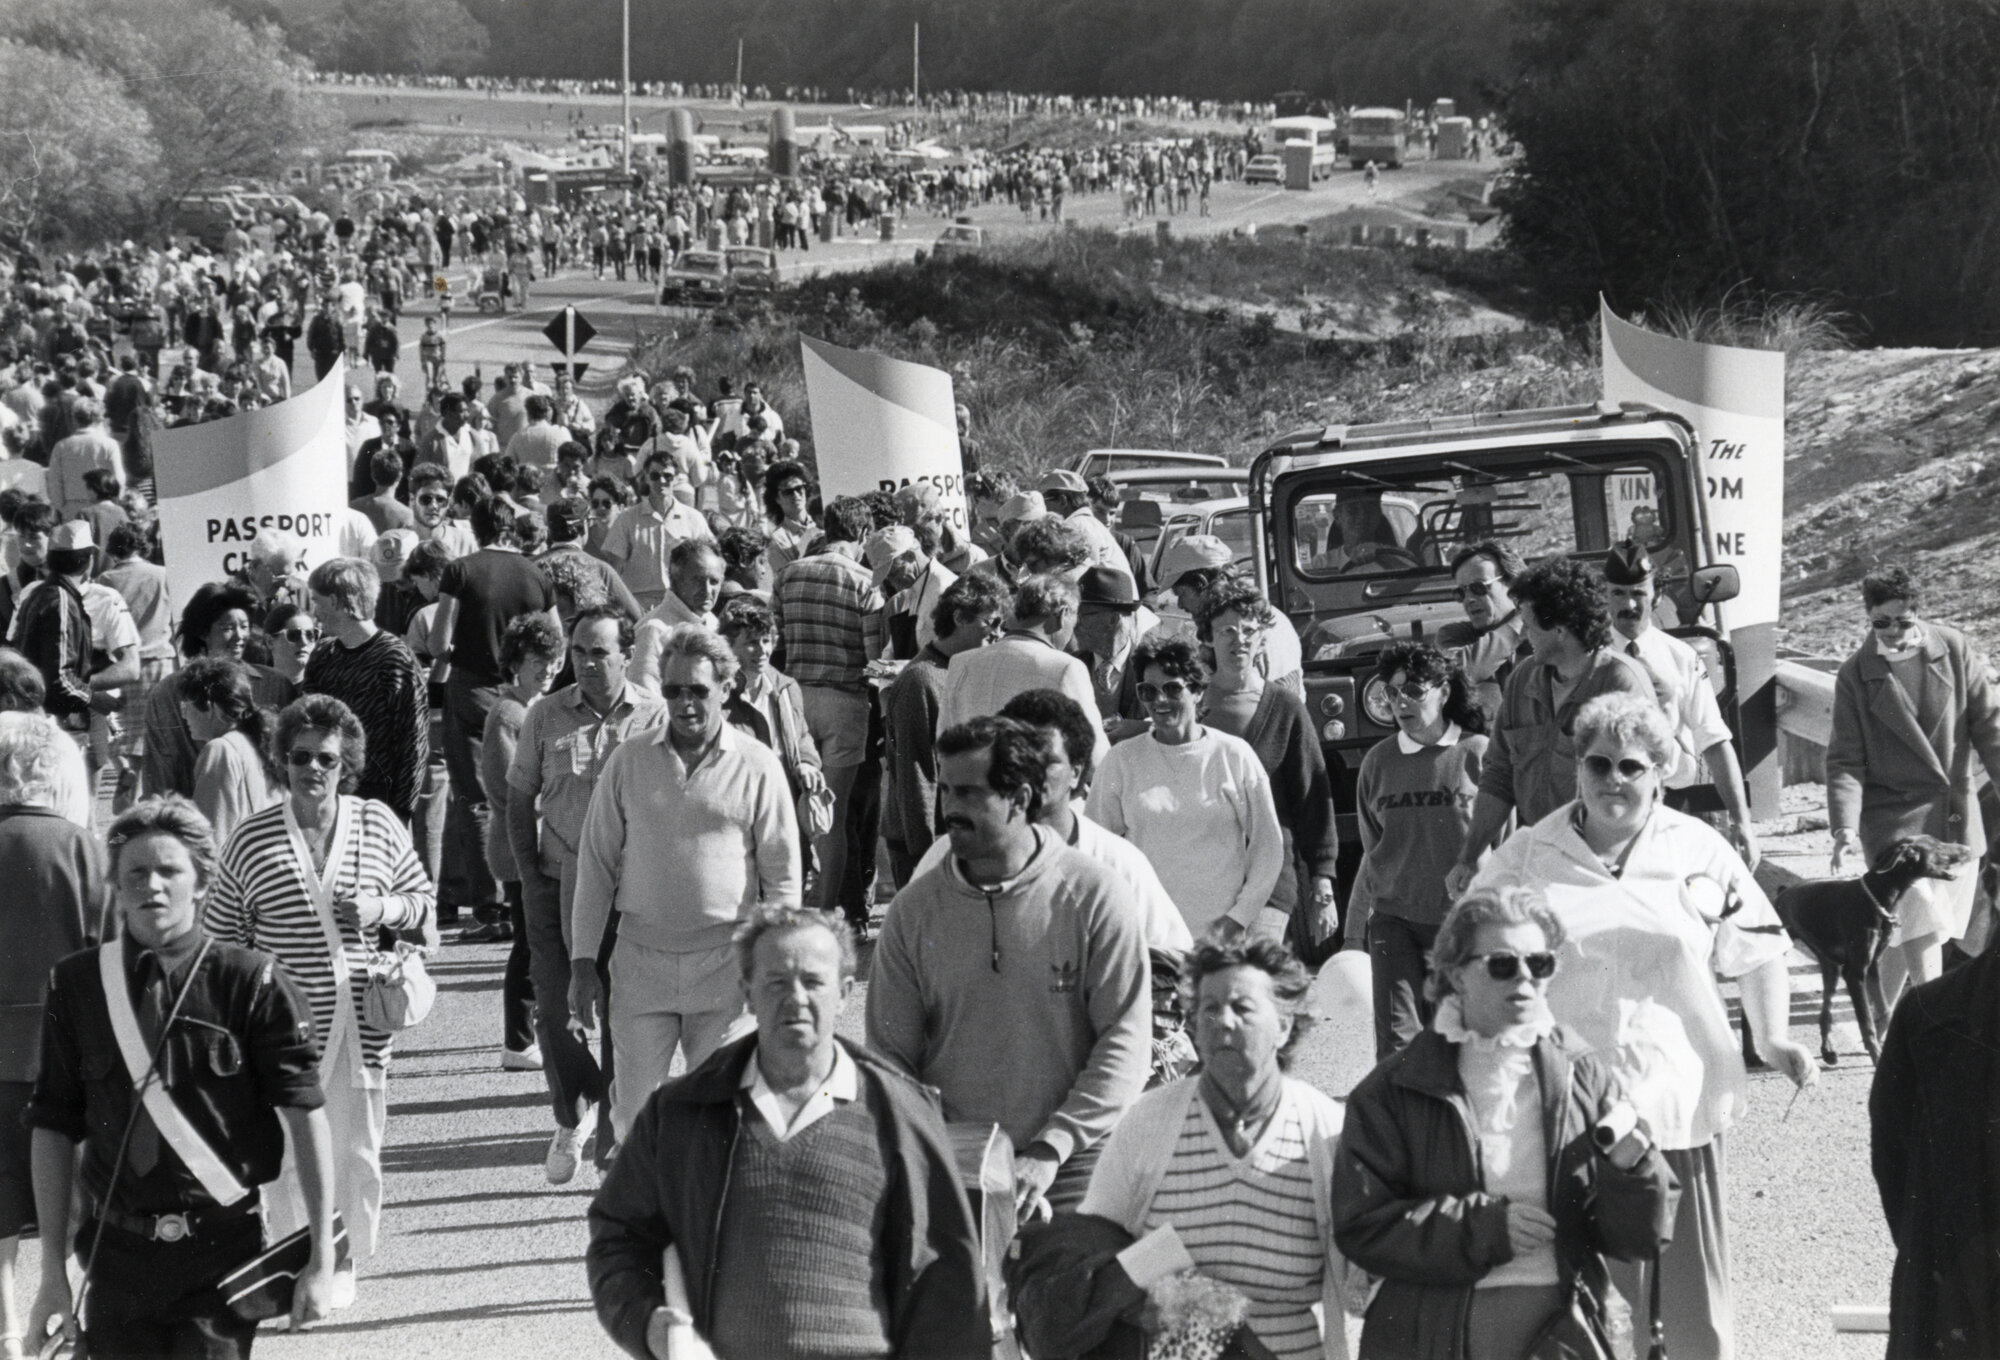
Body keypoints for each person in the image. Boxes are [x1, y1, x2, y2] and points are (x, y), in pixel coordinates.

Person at [1467, 693, 1815, 1359]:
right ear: (1576, 767)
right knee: (1577, 1304)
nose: (1613, 780)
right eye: (1598, 763)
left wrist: (1772, 1039)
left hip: (1676, 1103)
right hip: (1563, 1113)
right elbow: (1470, 956)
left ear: (1660, 771)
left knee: (1690, 1313)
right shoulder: (1527, 855)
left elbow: (1760, 944)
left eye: (1631, 766)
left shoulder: (1696, 850)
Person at [585, 906, 987, 1360]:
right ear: (748, 995)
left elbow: (949, 1287)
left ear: (845, 993)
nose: (795, 998)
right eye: (776, 983)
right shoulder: (683, 1113)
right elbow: (617, 1236)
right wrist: (648, 1326)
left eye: (813, 982)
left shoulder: (901, 1115)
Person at [27, 796, 338, 1356]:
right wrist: (51, 1271)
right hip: (116, 1255)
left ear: (201, 882)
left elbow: (305, 1112)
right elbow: (52, 1124)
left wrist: (322, 1254)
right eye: (136, 873)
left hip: (220, 1256)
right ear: (116, 888)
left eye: (170, 870)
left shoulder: (252, 982)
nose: (153, 886)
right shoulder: (76, 986)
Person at [1333, 885, 1681, 1360]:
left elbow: (1638, 1240)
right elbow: (1363, 1227)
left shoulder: (1582, 1072)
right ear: (1456, 974)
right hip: (1435, 1332)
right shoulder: (1392, 1090)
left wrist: (1635, 1172)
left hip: (1562, 1329)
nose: (1523, 979)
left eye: (1539, 964)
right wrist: (1485, 1229)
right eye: (1501, 964)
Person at [202, 695, 436, 1304]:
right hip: (279, 1028)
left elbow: (423, 906)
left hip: (361, 1026)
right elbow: (220, 936)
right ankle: (299, 1262)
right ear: (281, 760)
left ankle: (343, 1260)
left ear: (345, 763)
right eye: (300, 755)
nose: (313, 768)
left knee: (357, 1151)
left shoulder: (378, 823)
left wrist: (380, 909)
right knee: (283, 1158)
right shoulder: (252, 839)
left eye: (327, 758)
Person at [868, 716, 1151, 1218]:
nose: (951, 809)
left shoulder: (1094, 895)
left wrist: (1049, 1152)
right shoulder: (914, 910)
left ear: (1020, 800)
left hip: (1075, 1165)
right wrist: (943, 1154)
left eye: (970, 794)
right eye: (947, 791)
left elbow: (1125, 1041)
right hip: (955, 1167)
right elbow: (890, 1059)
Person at [570, 625, 800, 1143]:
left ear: (725, 688)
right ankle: (650, 1217)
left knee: (721, 1113)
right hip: (640, 963)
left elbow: (783, 875)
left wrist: (780, 966)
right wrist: (582, 963)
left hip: (726, 967)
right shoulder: (628, 761)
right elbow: (596, 866)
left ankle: (703, 1221)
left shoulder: (758, 765)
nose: (685, 703)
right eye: (673, 691)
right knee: (634, 1117)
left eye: (698, 690)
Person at [1079, 937, 1356, 1359]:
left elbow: (1361, 1282)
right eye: (1209, 1008)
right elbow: (1090, 1256)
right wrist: (1205, 1311)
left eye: (1242, 1008)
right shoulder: (1148, 1123)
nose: (1223, 1022)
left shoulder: (1324, 1133)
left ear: (1284, 1027)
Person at [506, 608, 667, 1182]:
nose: (588, 662)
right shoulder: (545, 715)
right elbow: (519, 797)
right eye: (579, 650)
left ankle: (613, 1142)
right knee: (555, 1012)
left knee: (624, 1015)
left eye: (600, 651)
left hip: (629, 893)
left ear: (627, 653)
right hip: (555, 885)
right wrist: (528, 875)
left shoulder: (655, 716)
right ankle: (572, 1111)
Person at [1826, 563, 2000, 995]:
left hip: (1956, 813)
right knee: (1919, 907)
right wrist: (1844, 824)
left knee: (1921, 932)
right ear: (1868, 618)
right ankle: (1930, 1023)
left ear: (1917, 613)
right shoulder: (1855, 675)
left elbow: (1989, 728)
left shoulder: (1955, 649)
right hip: (1893, 822)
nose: (1891, 631)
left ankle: (1885, 1023)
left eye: (1901, 621)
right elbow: (1845, 759)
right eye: (1879, 622)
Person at [1445, 558, 1656, 899]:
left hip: (1607, 872)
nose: (1525, 635)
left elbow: (1637, 793)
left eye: (1529, 626)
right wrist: (1469, 858)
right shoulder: (1522, 681)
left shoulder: (1621, 684)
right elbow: (1498, 776)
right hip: (1541, 865)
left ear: (1559, 629)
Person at [0, 713, 102, 1359]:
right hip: (69, 1057)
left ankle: (7, 1331)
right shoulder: (85, 849)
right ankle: (73, 1321)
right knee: (77, 1211)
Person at [1090, 637, 1287, 942]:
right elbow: (1096, 849)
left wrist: (1238, 919)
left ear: (1196, 691)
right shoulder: (1121, 760)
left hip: (1220, 941)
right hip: (1148, 941)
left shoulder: (1234, 756)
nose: (1159, 701)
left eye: (1171, 688)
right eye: (1148, 691)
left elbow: (1267, 846)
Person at [1347, 642, 1489, 1058]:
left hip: (1466, 926)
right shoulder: (1377, 762)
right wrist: (1354, 932)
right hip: (1396, 924)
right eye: (1391, 693)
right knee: (1397, 1049)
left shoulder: (1479, 752)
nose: (1400, 702)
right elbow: (1373, 853)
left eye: (1414, 690)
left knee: (1465, 1046)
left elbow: (1507, 842)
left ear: (1444, 693)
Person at [1870, 916, 2000, 1358]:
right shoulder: (1925, 1013)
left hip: (1951, 1291)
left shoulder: (1927, 1009)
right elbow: (1894, 1162)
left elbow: (1893, 1167)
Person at [429, 498, 558, 928]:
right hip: (525, 690)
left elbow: (437, 642)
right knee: (524, 793)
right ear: (511, 529)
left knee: (475, 799)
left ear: (477, 528)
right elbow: (554, 636)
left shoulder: (460, 570)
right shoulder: (536, 572)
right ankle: (519, 894)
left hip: (471, 686)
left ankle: (489, 902)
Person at [1194, 581, 1340, 959]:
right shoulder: (1190, 708)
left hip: (1270, 879)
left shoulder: (1286, 708)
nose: (1239, 639)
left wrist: (1322, 881)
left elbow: (1311, 798)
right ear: (1207, 638)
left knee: (1252, 981)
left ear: (1262, 637)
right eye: (1226, 630)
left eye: (1248, 630)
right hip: (1200, 874)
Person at [1600, 543, 1758, 864]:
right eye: (1618, 593)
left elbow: (1713, 739)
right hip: (1609, 807)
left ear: (1656, 596)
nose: (1628, 604)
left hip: (1673, 803)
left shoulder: (1681, 657)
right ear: (1604, 595)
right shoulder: (1588, 658)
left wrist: (1742, 823)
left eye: (1638, 594)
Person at [772, 497, 887, 925]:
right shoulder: (865, 583)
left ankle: (795, 905)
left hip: (796, 698)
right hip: (845, 699)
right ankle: (825, 915)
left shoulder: (787, 575)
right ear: (861, 534)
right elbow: (874, 660)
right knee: (832, 818)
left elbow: (776, 644)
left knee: (795, 810)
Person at [881, 574, 1007, 887]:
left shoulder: (961, 668)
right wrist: (928, 856)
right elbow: (916, 772)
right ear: (960, 617)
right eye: (991, 623)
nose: (998, 633)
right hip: (923, 841)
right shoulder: (921, 680)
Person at [480, 615, 563, 1069]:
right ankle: (516, 1040)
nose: (547, 669)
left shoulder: (540, 707)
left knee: (539, 939)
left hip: (540, 839)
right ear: (516, 662)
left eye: (552, 660)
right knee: (529, 942)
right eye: (537, 661)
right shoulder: (508, 713)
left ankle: (528, 1032)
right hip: (517, 845)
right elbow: (505, 787)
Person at [303, 558, 428, 825]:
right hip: (328, 791)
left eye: (317, 601)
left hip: (378, 801)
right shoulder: (323, 654)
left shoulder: (394, 659)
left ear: (336, 601)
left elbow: (414, 741)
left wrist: (401, 813)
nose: (314, 612)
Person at [938, 573, 1109, 769]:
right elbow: (1095, 757)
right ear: (1062, 614)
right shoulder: (1065, 667)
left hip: (973, 793)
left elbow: (944, 746)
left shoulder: (961, 662)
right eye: (1075, 619)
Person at [143, 583, 296, 800]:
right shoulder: (168, 693)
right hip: (196, 813)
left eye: (244, 626)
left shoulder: (276, 685)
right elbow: (159, 772)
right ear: (203, 632)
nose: (239, 636)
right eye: (227, 628)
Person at [718, 599, 828, 866]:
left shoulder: (786, 688)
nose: (762, 650)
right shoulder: (718, 695)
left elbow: (801, 735)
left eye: (766, 640)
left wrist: (808, 764)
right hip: (740, 811)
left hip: (785, 804)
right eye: (751, 642)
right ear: (729, 646)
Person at [1157, 534, 1304, 696]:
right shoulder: (1269, 616)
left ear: (1201, 583)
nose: (1180, 604)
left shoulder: (1236, 631)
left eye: (1181, 594)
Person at [178, 658, 278, 845]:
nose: (184, 716)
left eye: (186, 706)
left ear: (209, 706)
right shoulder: (258, 741)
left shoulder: (220, 750)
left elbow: (211, 839)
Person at [603, 451, 714, 611]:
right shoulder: (627, 519)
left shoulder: (694, 519)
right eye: (655, 475)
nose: (661, 481)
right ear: (646, 477)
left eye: (668, 476)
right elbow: (613, 570)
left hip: (681, 603)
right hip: (638, 605)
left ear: (676, 478)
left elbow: (709, 564)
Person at [1440, 541, 1527, 722]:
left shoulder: (1545, 633)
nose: (1469, 600)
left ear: (1513, 586)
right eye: (1461, 592)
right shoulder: (1455, 636)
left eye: (1478, 588)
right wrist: (1521, 620)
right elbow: (1461, 672)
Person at [629, 539, 724, 694]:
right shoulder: (654, 631)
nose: (707, 590)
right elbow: (645, 700)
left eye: (714, 581)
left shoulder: (712, 622)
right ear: (676, 580)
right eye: (698, 580)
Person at [866, 524, 957, 660]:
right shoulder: (912, 589)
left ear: (910, 556)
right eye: (887, 578)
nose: (892, 583)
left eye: (895, 574)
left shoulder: (944, 588)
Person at [261, 602, 315, 689]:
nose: (304, 642)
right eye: (294, 635)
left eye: (310, 635)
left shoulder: (322, 693)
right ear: (270, 642)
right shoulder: (254, 690)